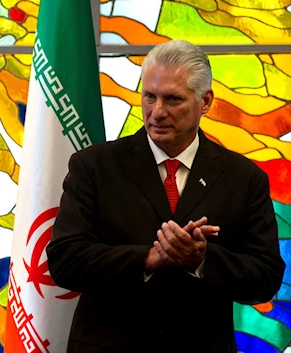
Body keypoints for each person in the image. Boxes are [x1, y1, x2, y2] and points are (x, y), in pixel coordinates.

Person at [46, 40, 285, 353]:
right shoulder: (94, 166)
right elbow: (64, 261)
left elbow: (265, 278)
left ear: (205, 101)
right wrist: (147, 259)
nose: (157, 112)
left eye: (173, 99)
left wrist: (202, 260)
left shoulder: (243, 178)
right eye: (149, 97)